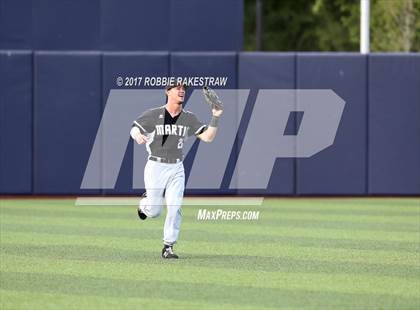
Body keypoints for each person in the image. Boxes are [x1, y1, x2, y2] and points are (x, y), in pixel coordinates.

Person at [130, 82, 223, 259]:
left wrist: (216, 116)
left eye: (183, 88)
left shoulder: (189, 118)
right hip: (155, 167)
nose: (181, 90)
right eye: (177, 87)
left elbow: (208, 137)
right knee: (155, 211)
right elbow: (134, 128)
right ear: (167, 92)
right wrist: (137, 135)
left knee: (175, 207)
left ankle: (168, 246)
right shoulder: (153, 114)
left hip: (176, 168)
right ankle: (144, 205)